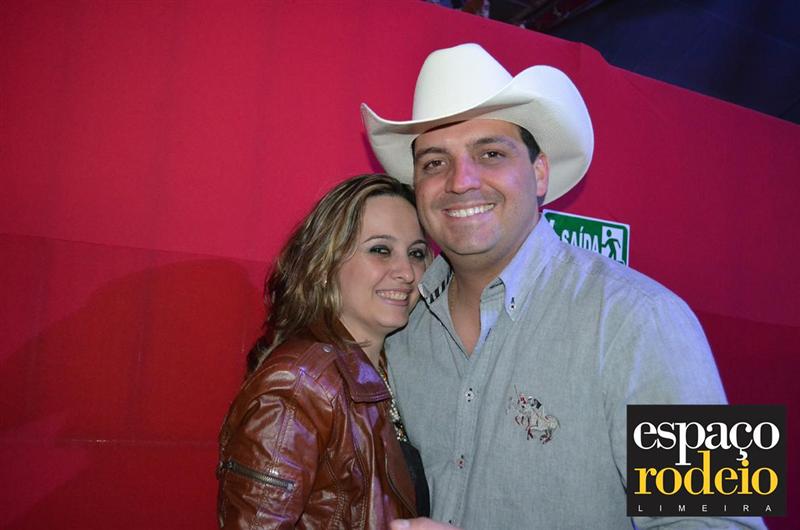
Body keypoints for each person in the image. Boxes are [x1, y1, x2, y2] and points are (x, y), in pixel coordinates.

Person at [360, 44, 766, 529]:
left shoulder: (646, 317)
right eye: (434, 163)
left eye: (490, 153)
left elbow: (728, 523)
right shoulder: (401, 329)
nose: (461, 180)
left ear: (539, 174)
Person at [216, 174, 431, 529]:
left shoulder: (396, 368)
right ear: (327, 262)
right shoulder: (298, 385)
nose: (407, 272)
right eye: (380, 250)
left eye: (417, 253)